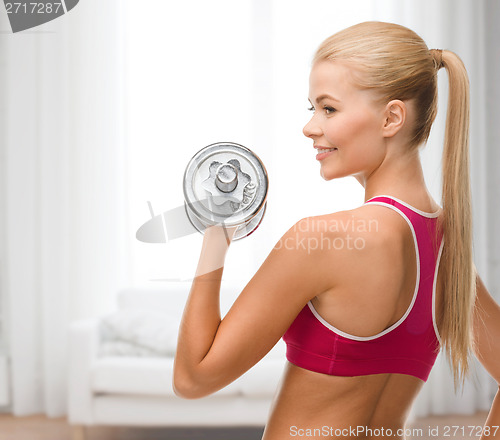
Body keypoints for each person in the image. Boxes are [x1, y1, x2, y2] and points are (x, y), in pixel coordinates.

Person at [173, 21, 500, 439]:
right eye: (311, 108)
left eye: (328, 108)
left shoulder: (324, 240)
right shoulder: (448, 247)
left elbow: (193, 378)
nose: (310, 127)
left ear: (391, 118)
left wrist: (215, 234)